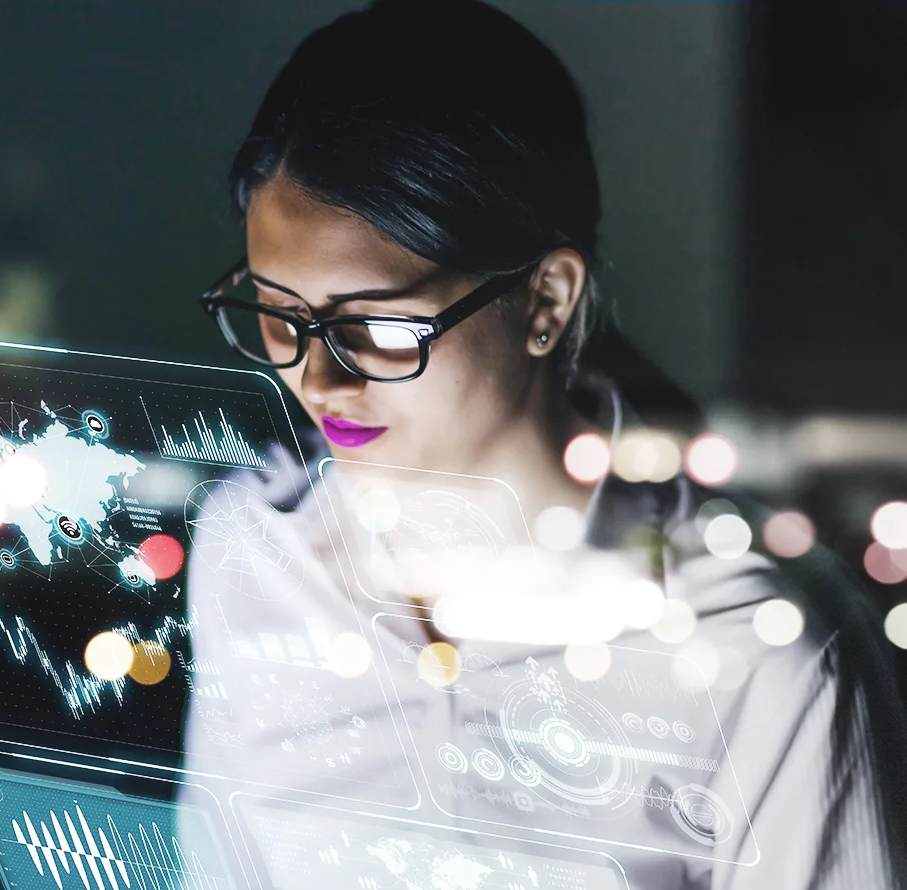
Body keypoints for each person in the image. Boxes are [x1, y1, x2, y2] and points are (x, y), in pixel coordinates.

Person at [180, 1, 907, 887]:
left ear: (547, 301)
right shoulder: (254, 551)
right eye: (274, 313)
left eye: (376, 325)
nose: (319, 381)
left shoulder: (757, 651)